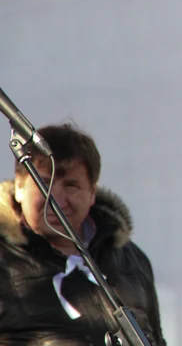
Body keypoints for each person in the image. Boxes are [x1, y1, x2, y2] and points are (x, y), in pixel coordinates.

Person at [0, 123, 167, 345]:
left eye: (71, 186)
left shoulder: (132, 261)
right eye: (44, 183)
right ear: (19, 187)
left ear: (92, 193)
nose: (57, 200)